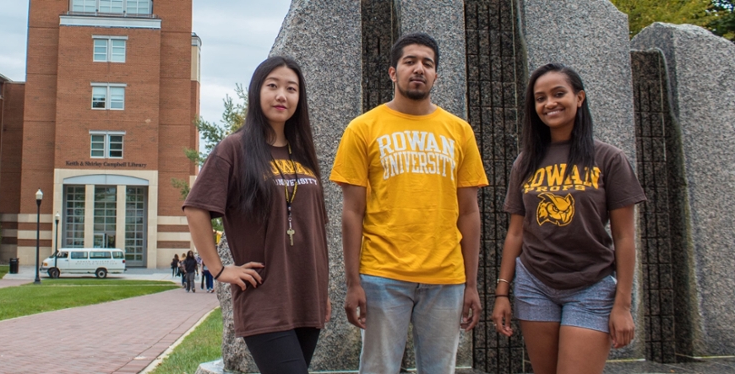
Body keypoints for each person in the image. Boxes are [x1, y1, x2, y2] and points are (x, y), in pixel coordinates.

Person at [330, 32, 488, 374]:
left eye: (427, 64)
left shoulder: (459, 131)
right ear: (392, 72)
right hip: (382, 275)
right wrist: (353, 282)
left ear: (436, 75)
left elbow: (470, 212)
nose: (419, 69)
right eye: (410, 61)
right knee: (378, 369)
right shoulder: (363, 129)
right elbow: (352, 212)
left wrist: (472, 284)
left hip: (447, 278)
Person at [490, 63, 646, 374]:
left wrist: (623, 305)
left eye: (558, 94)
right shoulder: (526, 161)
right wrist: (502, 293)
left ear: (580, 98)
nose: (549, 103)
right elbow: (516, 233)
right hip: (535, 285)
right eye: (540, 98)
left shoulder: (608, 158)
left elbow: (625, 236)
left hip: (591, 285)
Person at [183, 56, 330, 374]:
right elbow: (196, 208)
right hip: (265, 298)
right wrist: (220, 270)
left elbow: (316, 227)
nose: (282, 95)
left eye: (291, 89)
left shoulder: (302, 153)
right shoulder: (234, 149)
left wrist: (323, 291)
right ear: (256, 91)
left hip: (308, 296)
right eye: (273, 86)